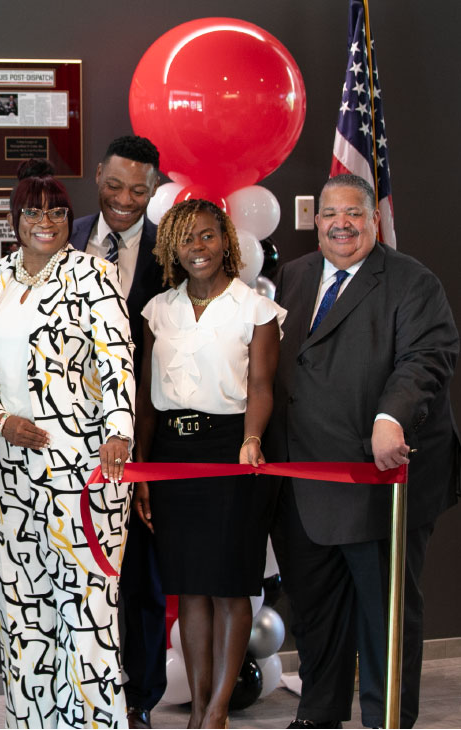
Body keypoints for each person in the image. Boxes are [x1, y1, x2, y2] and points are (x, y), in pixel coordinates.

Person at [266, 174, 459, 729]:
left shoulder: (411, 282)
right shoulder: (294, 277)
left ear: (374, 220)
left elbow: (426, 359)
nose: (341, 224)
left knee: (385, 622)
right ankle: (318, 716)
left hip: (377, 485)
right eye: (330, 214)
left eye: (354, 213)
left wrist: (389, 416)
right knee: (318, 618)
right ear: (316, 220)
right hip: (302, 485)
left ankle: (385, 720)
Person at [0, 159, 136, 728]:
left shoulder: (92, 275)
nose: (46, 222)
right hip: (2, 472)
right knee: (22, 613)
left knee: (86, 611)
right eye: (34, 212)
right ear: (15, 219)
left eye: (57, 212)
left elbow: (117, 358)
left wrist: (119, 429)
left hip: (83, 469)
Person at [134, 199, 283, 728]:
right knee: (191, 585)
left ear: (226, 242)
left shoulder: (255, 308)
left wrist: (251, 438)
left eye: (207, 236)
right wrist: (143, 472)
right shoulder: (158, 310)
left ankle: (217, 712)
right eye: (186, 238)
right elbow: (147, 402)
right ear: (172, 246)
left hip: (231, 447)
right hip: (172, 453)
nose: (198, 248)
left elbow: (262, 386)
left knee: (229, 584)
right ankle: (198, 708)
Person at [68, 133, 167, 728]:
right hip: (67, 444)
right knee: (78, 578)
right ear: (98, 174)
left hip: (144, 442)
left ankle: (140, 701)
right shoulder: (62, 234)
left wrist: (144, 454)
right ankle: (82, 694)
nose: (124, 199)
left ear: (153, 188)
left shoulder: (172, 252)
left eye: (139, 189)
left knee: (141, 584)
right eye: (114, 185)